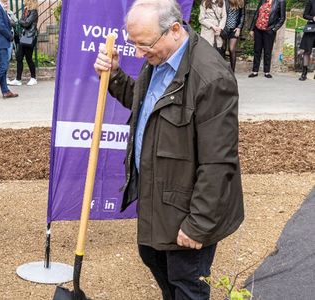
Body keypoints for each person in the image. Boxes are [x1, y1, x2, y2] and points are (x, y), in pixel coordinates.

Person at [93, 0, 244, 299]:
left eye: (144, 44)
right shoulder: (160, 59)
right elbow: (146, 106)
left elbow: (219, 163)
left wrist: (198, 226)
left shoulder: (211, 78)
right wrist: (114, 75)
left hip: (187, 211)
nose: (137, 53)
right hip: (159, 200)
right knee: (157, 265)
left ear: (175, 30)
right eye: (133, 44)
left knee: (186, 284)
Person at [249, 0, 285, 78]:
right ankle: (255, 71)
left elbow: (282, 18)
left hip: (269, 30)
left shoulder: (280, 1)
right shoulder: (262, 0)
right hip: (258, 29)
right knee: (257, 50)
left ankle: (267, 72)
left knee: (267, 51)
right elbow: (256, 15)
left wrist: (274, 29)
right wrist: (252, 29)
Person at [9, 0, 39, 86]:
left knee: (29, 58)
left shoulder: (34, 12)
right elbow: (24, 22)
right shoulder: (26, 10)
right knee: (19, 57)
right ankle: (18, 79)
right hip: (24, 37)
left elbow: (26, 23)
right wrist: (21, 21)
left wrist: (19, 21)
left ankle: (33, 78)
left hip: (30, 37)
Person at [224, 0, 245, 72]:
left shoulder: (240, 2)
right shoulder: (225, 1)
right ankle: (222, 70)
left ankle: (232, 71)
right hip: (224, 28)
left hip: (234, 29)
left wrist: (239, 27)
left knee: (232, 49)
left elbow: (242, 15)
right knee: (222, 49)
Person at [299, 0, 315, 80]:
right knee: (307, 51)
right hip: (311, 29)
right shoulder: (311, 1)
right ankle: (304, 73)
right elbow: (305, 15)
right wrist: (313, 17)